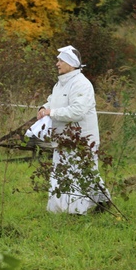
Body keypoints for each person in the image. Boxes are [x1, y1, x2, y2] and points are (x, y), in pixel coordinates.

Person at [37, 45, 109, 214]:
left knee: (83, 173)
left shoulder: (82, 84)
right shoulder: (60, 83)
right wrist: (43, 108)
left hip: (82, 139)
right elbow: (53, 101)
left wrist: (51, 112)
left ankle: (82, 209)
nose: (57, 63)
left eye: (61, 60)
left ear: (71, 63)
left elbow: (77, 111)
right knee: (62, 173)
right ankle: (61, 209)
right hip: (63, 137)